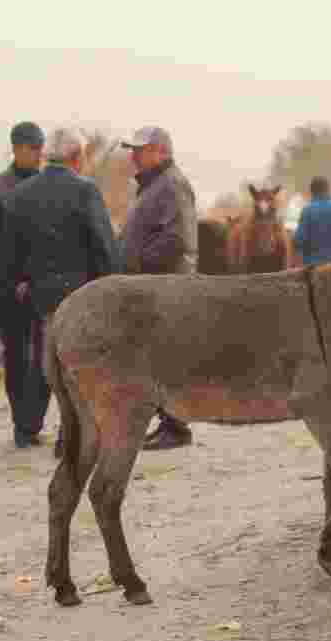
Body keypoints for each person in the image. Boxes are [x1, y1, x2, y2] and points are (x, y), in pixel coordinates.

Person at [0, 127, 120, 449]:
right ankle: (70, 436)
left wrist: (18, 284)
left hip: (38, 295)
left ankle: (26, 429)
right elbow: (103, 246)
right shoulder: (85, 191)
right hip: (79, 294)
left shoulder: (18, 195)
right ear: (76, 157)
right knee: (76, 368)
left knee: (42, 362)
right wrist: (110, 287)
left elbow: (8, 255)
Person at [119, 126, 199, 451]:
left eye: (140, 150)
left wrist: (135, 262)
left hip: (167, 285)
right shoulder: (156, 185)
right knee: (158, 356)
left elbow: (177, 238)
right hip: (156, 283)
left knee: (166, 357)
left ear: (161, 152)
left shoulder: (171, 185)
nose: (133, 156)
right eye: (133, 149)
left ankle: (177, 426)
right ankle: (169, 422)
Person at [0, 121, 46, 447]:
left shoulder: (51, 184)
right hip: (9, 286)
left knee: (46, 356)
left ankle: (35, 421)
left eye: (41, 147)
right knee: (16, 357)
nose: (38, 154)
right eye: (32, 148)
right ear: (16, 148)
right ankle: (22, 426)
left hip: (45, 284)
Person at [292, 176, 331, 267]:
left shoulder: (307, 211)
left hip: (314, 268)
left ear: (312, 192)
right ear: (328, 190)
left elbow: (299, 240)